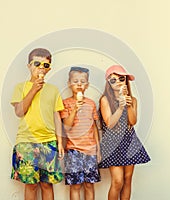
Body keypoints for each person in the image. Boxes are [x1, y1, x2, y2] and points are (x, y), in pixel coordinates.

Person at [10, 48, 64, 200]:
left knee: (47, 184)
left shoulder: (53, 90)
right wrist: (33, 89)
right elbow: (19, 111)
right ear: (29, 65)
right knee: (31, 185)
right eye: (37, 63)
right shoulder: (20, 87)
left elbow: (57, 117)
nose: (41, 67)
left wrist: (60, 142)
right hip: (26, 142)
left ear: (49, 68)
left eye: (45, 65)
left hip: (48, 142)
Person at [98, 65, 151, 200]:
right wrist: (120, 107)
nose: (118, 82)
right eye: (113, 80)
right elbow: (110, 123)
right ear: (108, 83)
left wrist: (127, 104)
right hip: (112, 143)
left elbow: (132, 121)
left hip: (129, 141)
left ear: (126, 80)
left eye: (121, 78)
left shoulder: (132, 100)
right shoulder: (105, 100)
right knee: (117, 181)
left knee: (127, 180)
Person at [60, 66, 101, 200]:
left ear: (87, 85)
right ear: (69, 83)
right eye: (75, 81)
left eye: (82, 81)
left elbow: (94, 127)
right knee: (75, 186)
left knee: (89, 185)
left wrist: (98, 150)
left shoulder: (91, 104)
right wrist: (75, 109)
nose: (79, 84)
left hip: (90, 150)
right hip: (73, 151)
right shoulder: (65, 103)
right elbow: (66, 127)